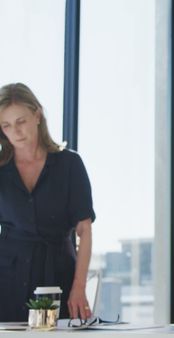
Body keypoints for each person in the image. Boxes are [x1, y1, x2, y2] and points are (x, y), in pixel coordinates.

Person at [0, 83, 95, 321]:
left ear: (37, 115)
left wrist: (79, 287)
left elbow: (85, 229)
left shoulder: (69, 165)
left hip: (59, 275)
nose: (16, 132)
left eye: (21, 121)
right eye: (6, 125)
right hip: (7, 278)